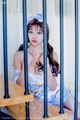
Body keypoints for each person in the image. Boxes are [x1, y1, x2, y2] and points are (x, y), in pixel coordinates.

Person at [13, 14, 80, 119]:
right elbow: (19, 87)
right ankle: (55, 109)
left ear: (45, 35)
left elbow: (54, 87)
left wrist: (46, 64)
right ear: (27, 33)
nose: (34, 36)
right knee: (70, 117)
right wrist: (28, 63)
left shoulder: (53, 55)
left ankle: (58, 107)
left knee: (78, 114)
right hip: (38, 98)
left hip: (57, 93)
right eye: (31, 32)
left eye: (39, 33)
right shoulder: (19, 55)